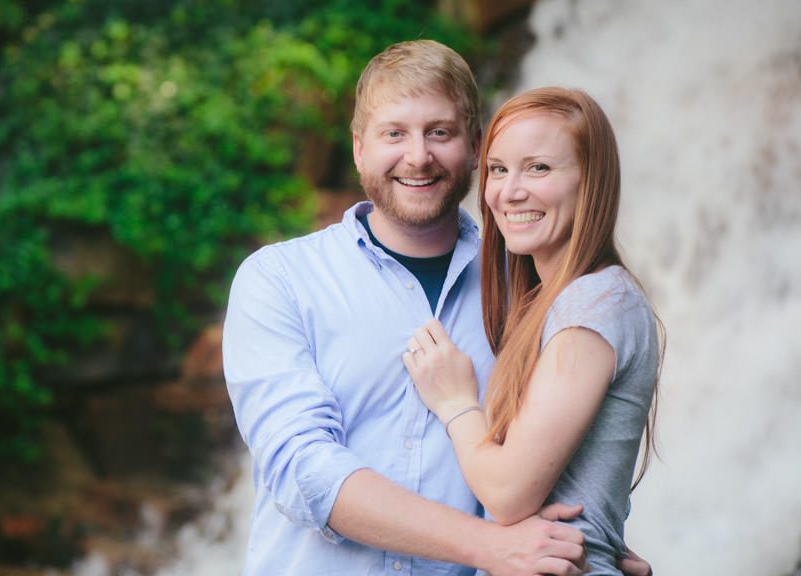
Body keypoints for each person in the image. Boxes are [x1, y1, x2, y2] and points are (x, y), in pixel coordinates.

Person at [223, 40, 650, 576]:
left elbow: (565, 455)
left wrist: (597, 544)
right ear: (358, 148)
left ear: (475, 148)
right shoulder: (280, 279)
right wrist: (486, 545)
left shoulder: (533, 287)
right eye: (394, 134)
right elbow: (302, 469)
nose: (418, 156)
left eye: (440, 132)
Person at [403, 87, 662, 575]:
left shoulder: (595, 301)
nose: (509, 191)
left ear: (592, 180)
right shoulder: (551, 301)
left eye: (538, 168)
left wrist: (456, 403)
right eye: (498, 169)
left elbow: (507, 494)